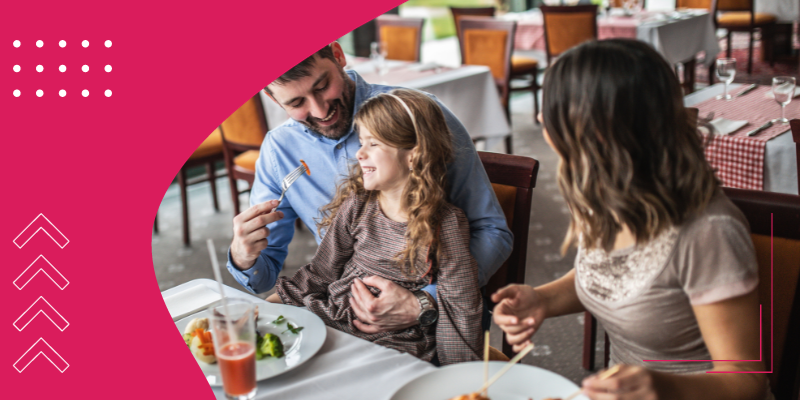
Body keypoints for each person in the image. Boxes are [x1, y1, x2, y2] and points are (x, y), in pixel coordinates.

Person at [493, 39, 770, 400]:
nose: (542, 119)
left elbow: (747, 381)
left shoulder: (710, 232)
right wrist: (542, 299)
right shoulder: (606, 196)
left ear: (597, 132)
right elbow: (616, 275)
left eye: (553, 110)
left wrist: (662, 385)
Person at [226, 42, 511, 334]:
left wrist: (424, 302)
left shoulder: (416, 115)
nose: (320, 110)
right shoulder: (279, 150)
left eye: (323, 86)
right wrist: (243, 257)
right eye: (296, 103)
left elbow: (493, 230)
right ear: (274, 101)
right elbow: (264, 277)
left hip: (431, 316)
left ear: (338, 56)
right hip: (340, 308)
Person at [266, 89, 483, 364]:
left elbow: (461, 306)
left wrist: (460, 377)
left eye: (373, 144)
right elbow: (320, 273)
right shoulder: (357, 204)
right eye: (361, 142)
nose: (359, 154)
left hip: (395, 338)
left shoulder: (445, 225)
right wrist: (263, 307)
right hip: (334, 317)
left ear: (413, 156)